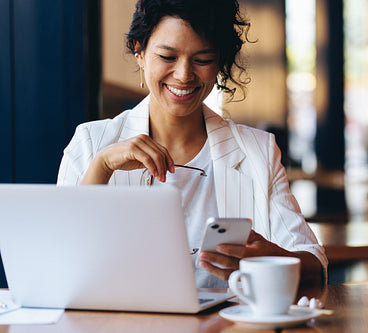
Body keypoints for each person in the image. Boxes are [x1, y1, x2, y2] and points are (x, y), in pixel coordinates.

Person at [57, 0, 327, 288]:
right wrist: (101, 166)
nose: (184, 75)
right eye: (167, 56)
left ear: (219, 62)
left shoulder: (257, 151)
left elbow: (315, 263)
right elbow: (58, 264)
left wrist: (269, 260)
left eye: (202, 60)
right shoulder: (90, 144)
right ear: (140, 51)